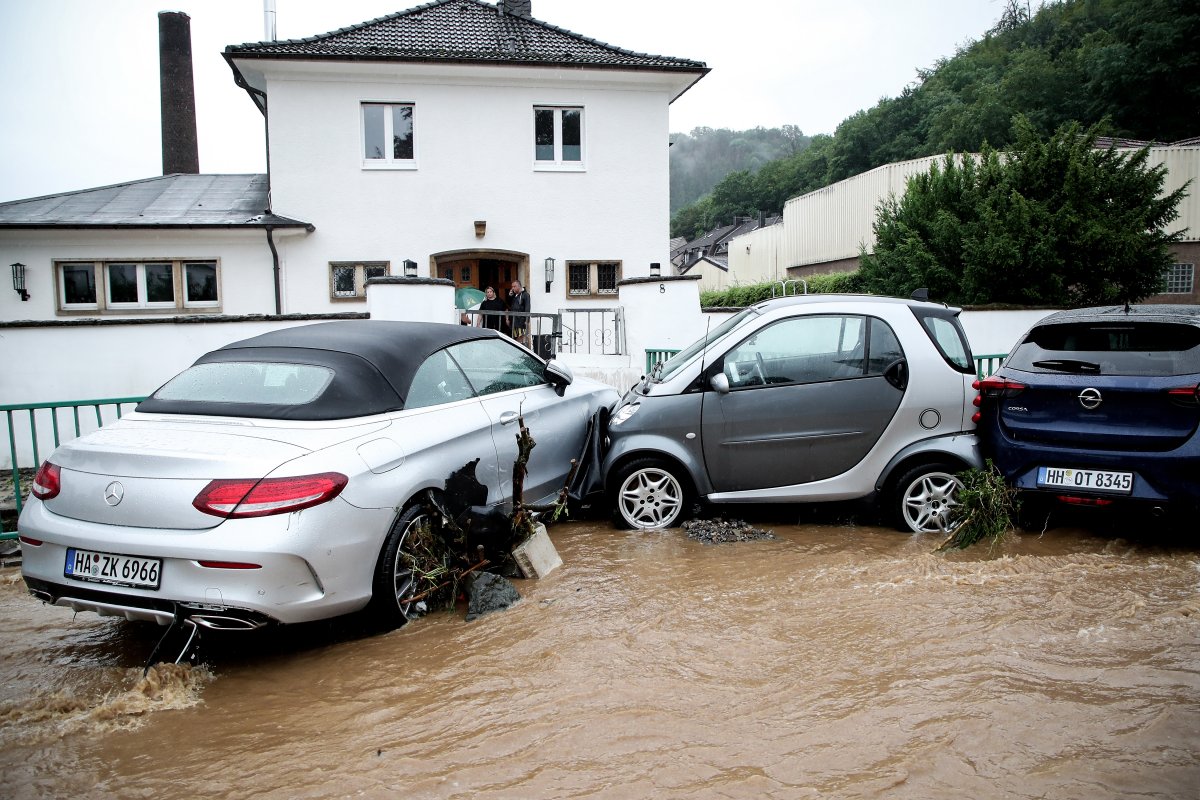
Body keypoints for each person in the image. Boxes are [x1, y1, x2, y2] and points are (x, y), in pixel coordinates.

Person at [507, 279, 531, 344]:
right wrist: (510, 296)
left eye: (514, 286)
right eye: (512, 287)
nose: (512, 288)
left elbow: (527, 307)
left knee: (520, 336)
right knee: (516, 336)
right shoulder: (514, 295)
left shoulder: (525, 295)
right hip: (514, 320)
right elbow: (510, 306)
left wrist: (527, 320)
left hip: (521, 320)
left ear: (519, 286)